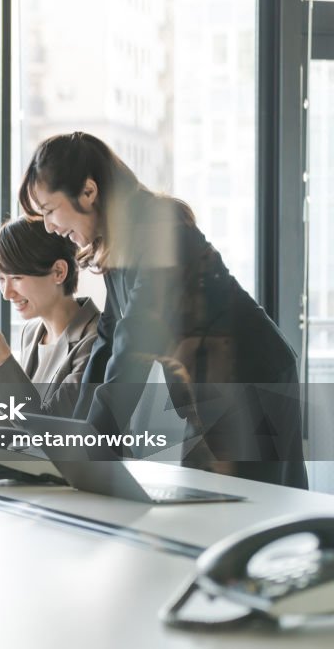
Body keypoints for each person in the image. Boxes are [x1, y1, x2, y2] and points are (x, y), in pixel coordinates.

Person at [19, 131, 307, 488]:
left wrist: (90, 443)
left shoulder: (158, 225)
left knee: (248, 511)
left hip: (251, 380)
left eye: (49, 210)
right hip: (213, 390)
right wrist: (76, 439)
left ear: (89, 191)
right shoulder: (117, 243)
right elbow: (107, 341)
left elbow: (135, 342)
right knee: (211, 507)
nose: (50, 226)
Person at [0, 217, 100, 417]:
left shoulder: (97, 340)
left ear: (59, 272)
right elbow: (19, 417)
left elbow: (52, 431)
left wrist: (1, 358)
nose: (7, 293)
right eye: (1, 278)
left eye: (17, 278)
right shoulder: (32, 332)